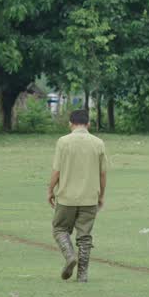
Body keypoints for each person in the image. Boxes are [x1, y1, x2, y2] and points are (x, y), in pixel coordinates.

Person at [47, 108, 108, 282]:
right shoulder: (98, 143)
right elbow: (103, 174)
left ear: (70, 124)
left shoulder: (63, 142)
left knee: (59, 229)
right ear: (88, 124)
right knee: (85, 236)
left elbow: (56, 170)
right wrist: (101, 196)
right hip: (90, 198)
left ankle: (69, 256)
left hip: (66, 197)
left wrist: (50, 190)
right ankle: (82, 275)